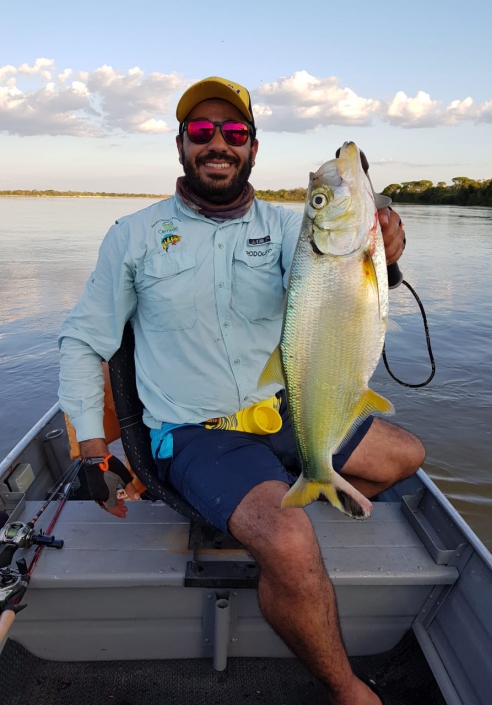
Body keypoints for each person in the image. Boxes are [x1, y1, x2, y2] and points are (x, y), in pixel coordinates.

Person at [59, 76, 425, 705]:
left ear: (254, 147)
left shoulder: (291, 231)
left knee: (405, 456)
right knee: (288, 538)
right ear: (181, 146)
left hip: (286, 415)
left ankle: (271, 531)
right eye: (201, 132)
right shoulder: (135, 234)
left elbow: (340, 294)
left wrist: (384, 259)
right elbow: (82, 342)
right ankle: (345, 687)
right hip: (195, 435)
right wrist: (92, 449)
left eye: (233, 133)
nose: (217, 144)